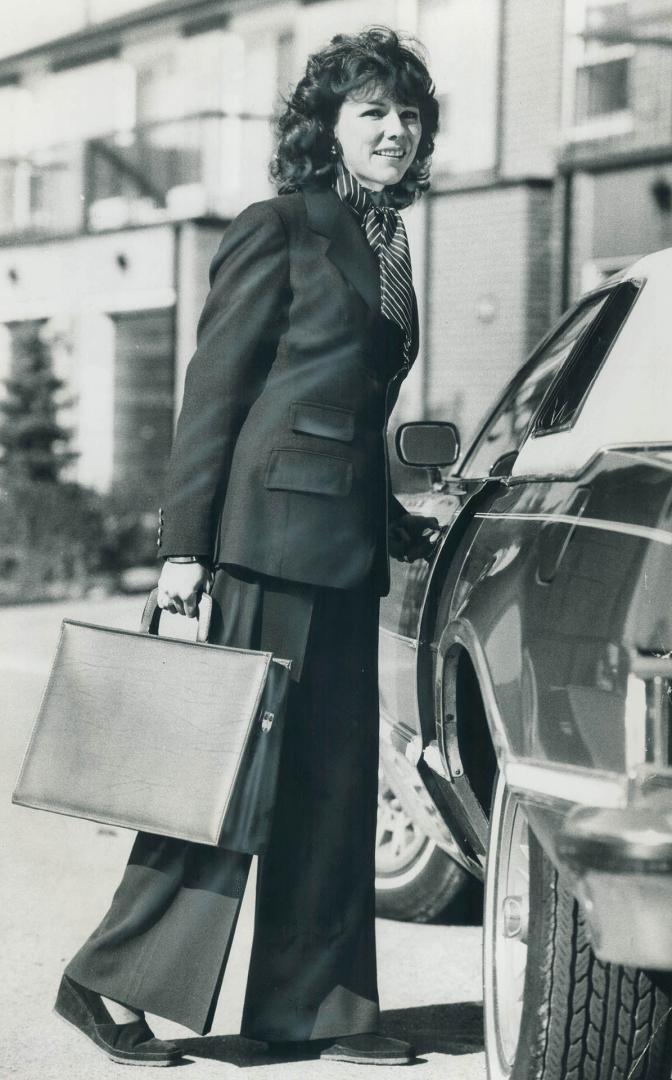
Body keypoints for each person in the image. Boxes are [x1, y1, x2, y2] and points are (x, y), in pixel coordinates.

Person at [54, 26, 440, 1068]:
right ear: (328, 127)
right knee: (226, 776)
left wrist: (401, 516)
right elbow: (213, 395)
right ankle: (103, 980)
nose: (395, 130)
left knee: (331, 788)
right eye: (373, 113)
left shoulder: (389, 242)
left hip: (344, 547)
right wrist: (184, 552)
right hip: (260, 544)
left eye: (407, 114)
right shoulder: (282, 226)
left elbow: (350, 416)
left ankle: (316, 1011)